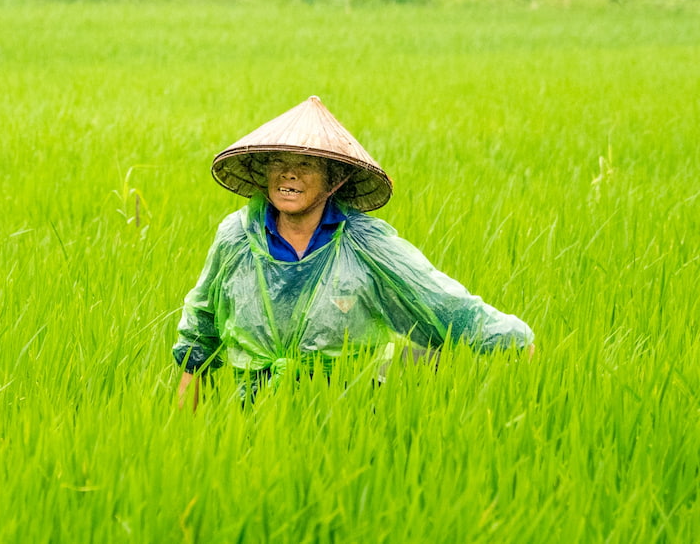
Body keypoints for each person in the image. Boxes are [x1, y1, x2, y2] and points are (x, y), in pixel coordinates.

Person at [173, 96, 535, 409]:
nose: (289, 175)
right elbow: (201, 329)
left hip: (349, 410)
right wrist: (185, 430)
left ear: (334, 180)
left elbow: (443, 304)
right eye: (278, 163)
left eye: (306, 165)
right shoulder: (237, 237)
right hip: (253, 410)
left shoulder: (365, 243)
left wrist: (518, 343)